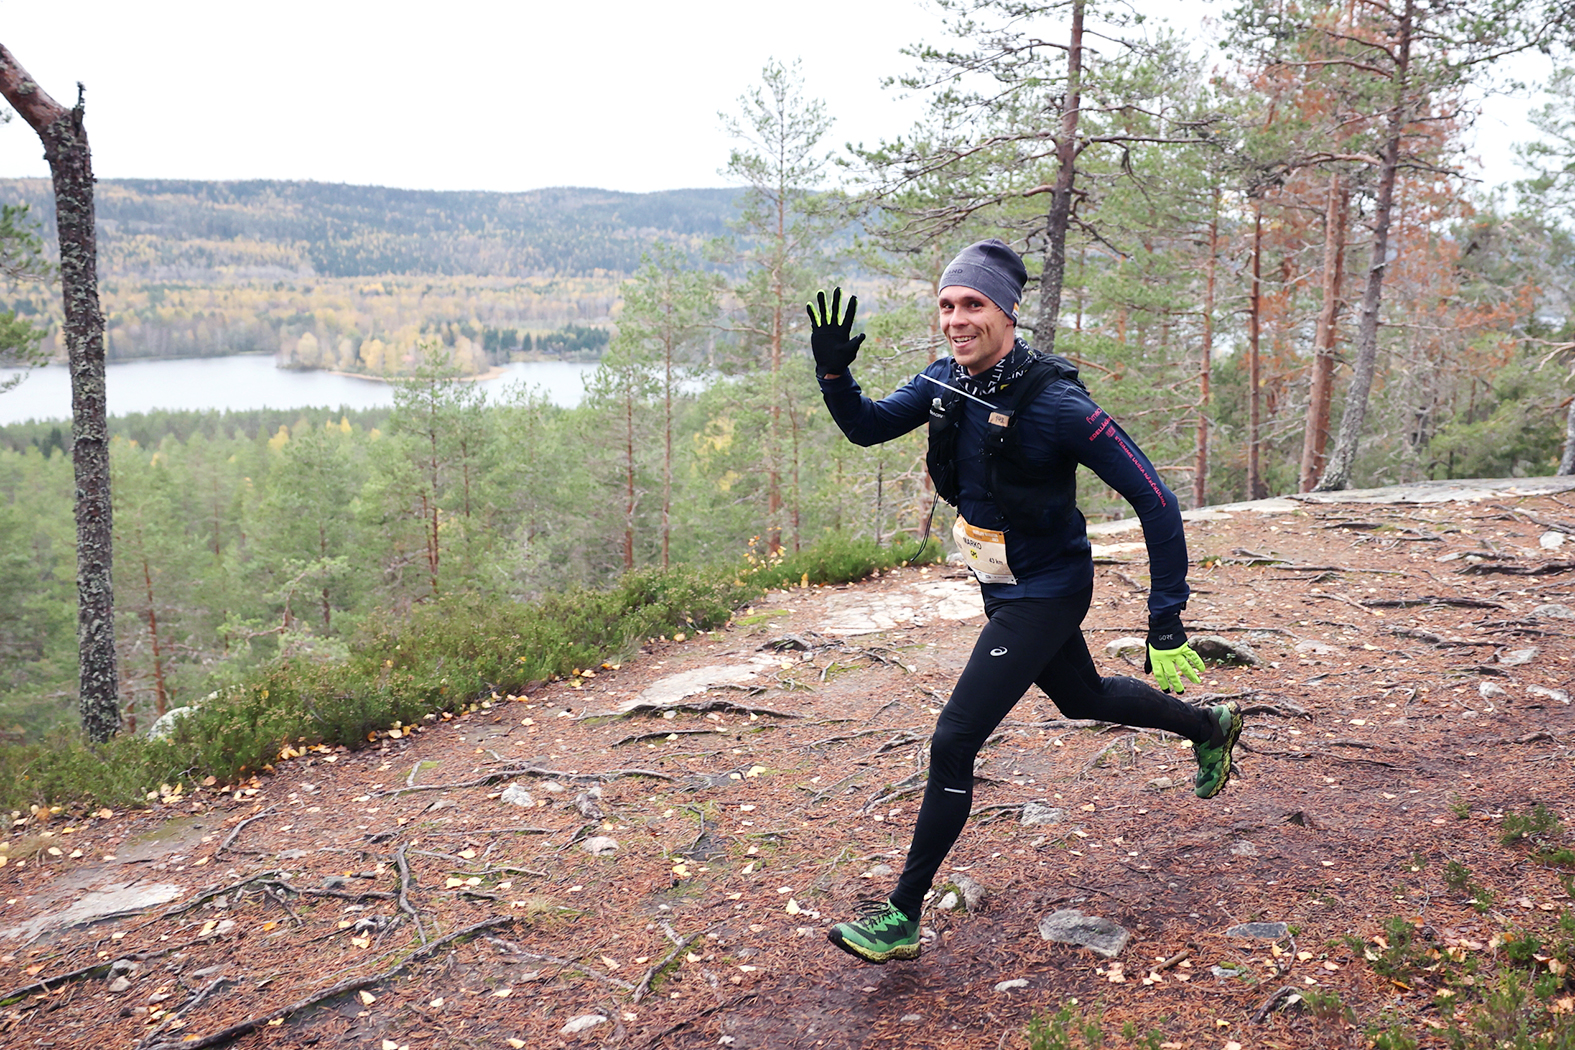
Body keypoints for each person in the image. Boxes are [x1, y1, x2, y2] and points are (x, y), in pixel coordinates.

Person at [806, 239, 1243, 965]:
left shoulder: (1058, 404)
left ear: (1006, 312)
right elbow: (867, 426)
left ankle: (901, 916)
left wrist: (1165, 621)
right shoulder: (946, 381)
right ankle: (1208, 725)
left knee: (953, 740)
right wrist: (832, 372)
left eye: (971, 304)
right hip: (1002, 581)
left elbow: (1155, 500)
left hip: (1046, 590)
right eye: (946, 305)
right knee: (1081, 695)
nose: (955, 319)